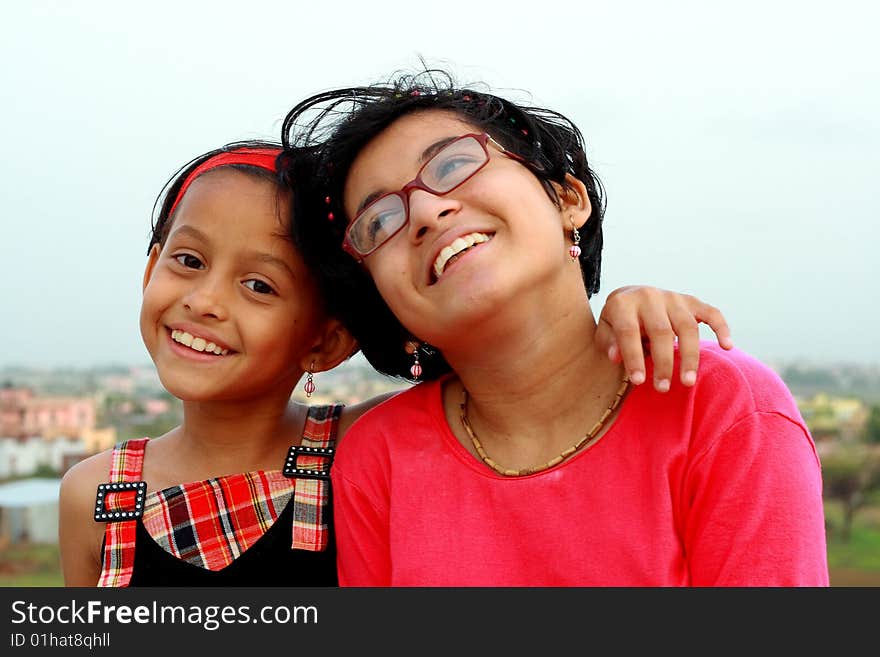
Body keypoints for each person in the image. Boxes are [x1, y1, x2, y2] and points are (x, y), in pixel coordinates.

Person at [58, 140, 733, 586]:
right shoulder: (93, 495)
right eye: (187, 261)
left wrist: (628, 307)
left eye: (260, 286)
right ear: (150, 270)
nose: (204, 301)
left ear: (326, 341)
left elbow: (521, 378)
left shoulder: (367, 447)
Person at [280, 71, 829, 586]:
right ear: (385, 302)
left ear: (568, 199)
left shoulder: (712, 404)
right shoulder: (381, 458)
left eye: (452, 166)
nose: (424, 211)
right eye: (379, 221)